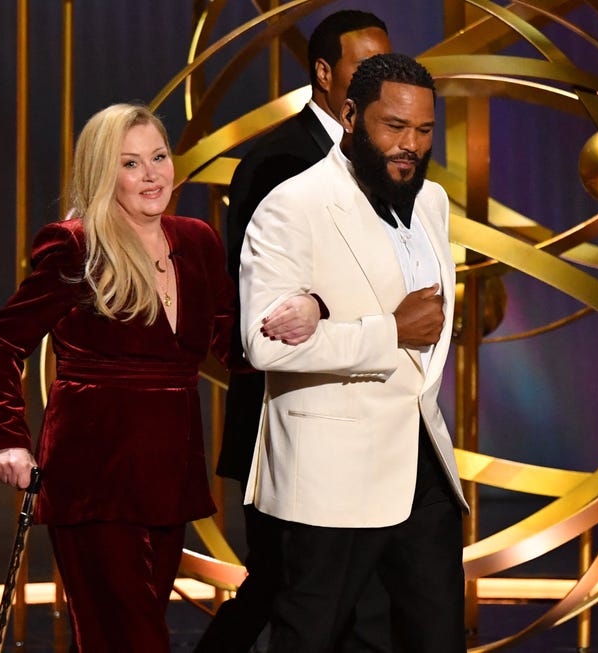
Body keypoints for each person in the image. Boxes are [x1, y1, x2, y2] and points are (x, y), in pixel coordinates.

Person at [0, 103, 318, 653]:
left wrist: (310, 313)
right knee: (134, 640)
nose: (152, 174)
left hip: (168, 478)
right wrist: (8, 440)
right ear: (102, 173)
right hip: (94, 479)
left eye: (158, 157)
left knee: (127, 635)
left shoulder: (198, 241)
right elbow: (0, 344)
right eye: (130, 163)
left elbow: (235, 349)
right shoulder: (76, 245)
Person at [239, 54, 468, 653]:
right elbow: (262, 344)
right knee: (310, 639)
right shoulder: (294, 205)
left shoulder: (433, 202)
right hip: (332, 471)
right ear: (349, 115)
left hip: (421, 466)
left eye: (423, 130)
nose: (410, 145)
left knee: (437, 638)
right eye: (394, 126)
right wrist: (387, 331)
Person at [196, 10, 393, 653]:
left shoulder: (387, 160)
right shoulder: (278, 160)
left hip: (362, 413)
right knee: (291, 584)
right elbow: (264, 305)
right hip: (286, 416)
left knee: (329, 590)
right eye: (366, 69)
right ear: (324, 73)